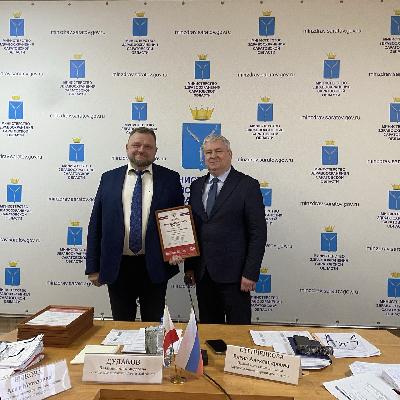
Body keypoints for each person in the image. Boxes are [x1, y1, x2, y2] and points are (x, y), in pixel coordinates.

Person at [85, 127, 184, 322]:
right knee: (122, 325)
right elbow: (96, 224)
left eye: (148, 146)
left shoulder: (170, 179)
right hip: (118, 265)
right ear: (127, 148)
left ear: (155, 151)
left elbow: (177, 219)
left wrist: (177, 249)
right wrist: (92, 266)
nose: (141, 150)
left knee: (153, 326)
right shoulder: (109, 178)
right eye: (136, 145)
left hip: (154, 264)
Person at [184, 134, 267, 324]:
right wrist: (190, 267)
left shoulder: (247, 185)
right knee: (210, 329)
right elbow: (193, 229)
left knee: (238, 331)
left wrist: (250, 273)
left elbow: (258, 233)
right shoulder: (196, 186)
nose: (213, 156)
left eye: (218, 151)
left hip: (236, 276)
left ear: (229, 154)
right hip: (203, 274)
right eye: (208, 152)